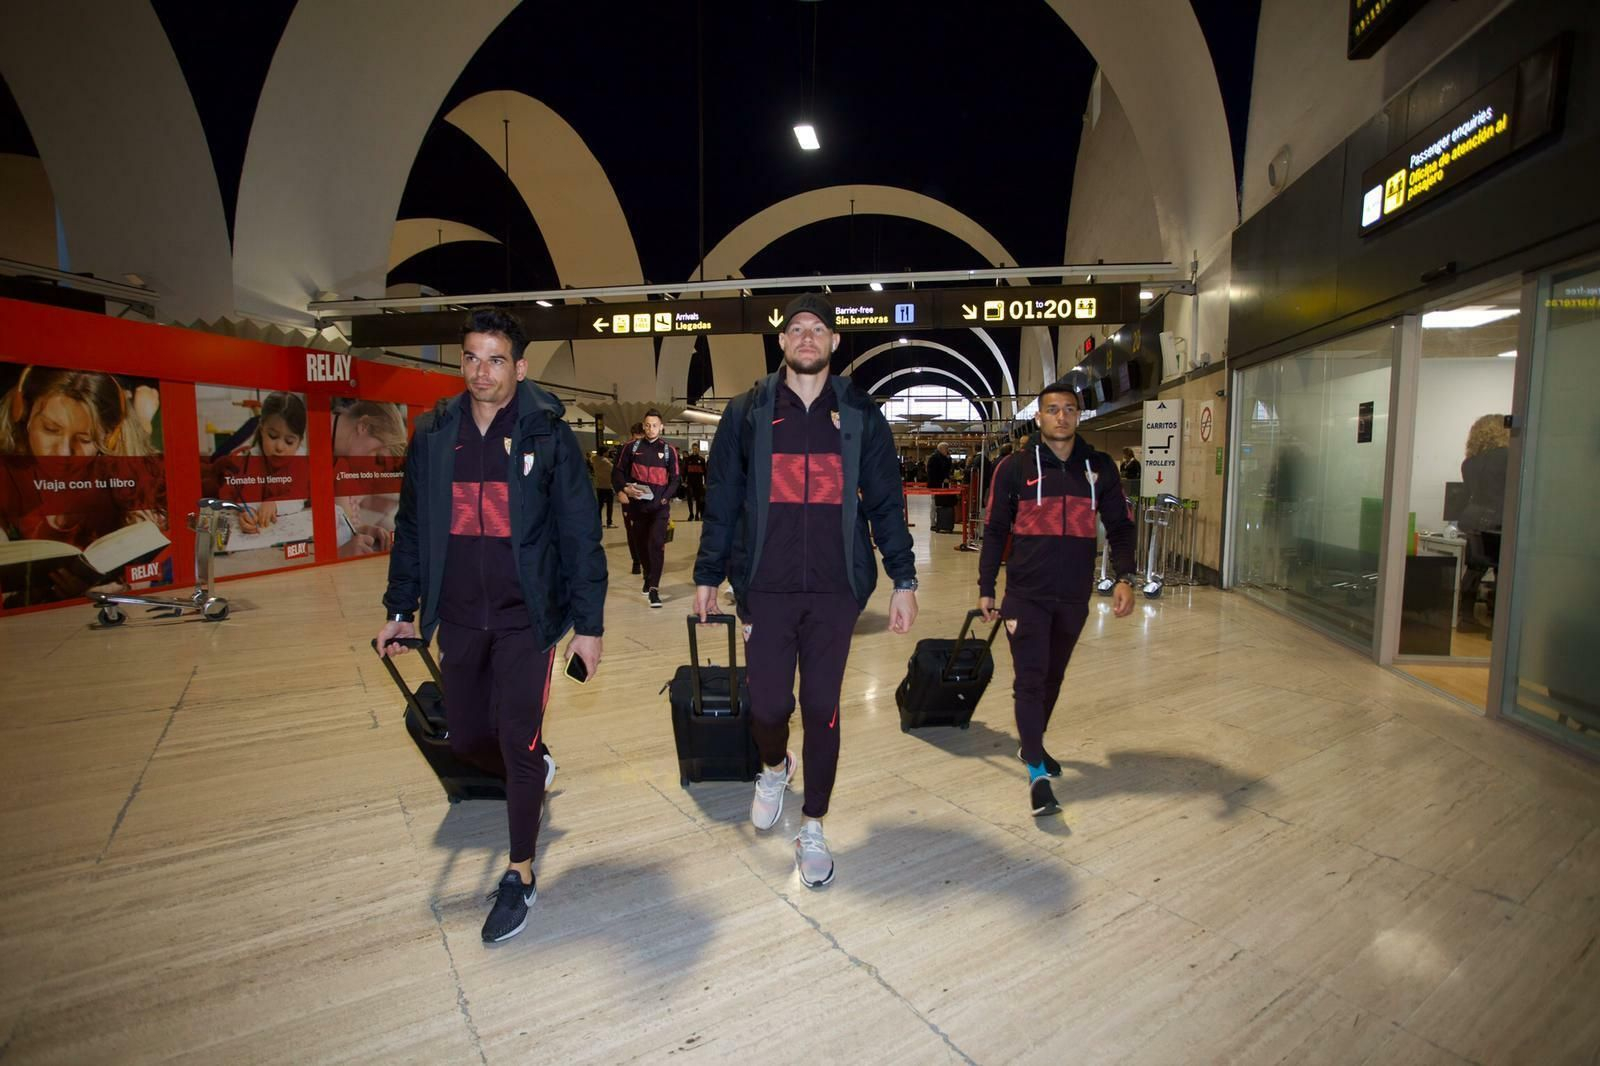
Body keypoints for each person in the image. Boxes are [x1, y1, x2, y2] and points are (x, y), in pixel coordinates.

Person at [376, 307, 606, 944]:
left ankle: (520, 874)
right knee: (470, 738)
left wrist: (588, 625)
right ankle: (534, 766)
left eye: (496, 359)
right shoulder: (434, 434)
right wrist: (401, 610)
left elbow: (581, 534)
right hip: (460, 617)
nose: (482, 371)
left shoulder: (548, 434)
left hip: (525, 620)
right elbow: (415, 528)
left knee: (517, 743)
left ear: (519, 366)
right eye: (472, 358)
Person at [693, 293, 918, 888]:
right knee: (767, 708)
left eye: (819, 328)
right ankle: (775, 765)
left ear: (835, 342)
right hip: (765, 588)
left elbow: (886, 503)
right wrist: (708, 574)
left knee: (821, 708)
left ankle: (813, 824)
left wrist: (903, 577)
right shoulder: (749, 412)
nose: (808, 337)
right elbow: (721, 501)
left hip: (834, 589)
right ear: (782, 341)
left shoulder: (862, 415)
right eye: (797, 328)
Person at [978, 381, 1137, 817]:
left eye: (1069, 409)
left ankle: (1032, 745)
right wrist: (987, 585)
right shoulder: (1013, 468)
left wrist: (1125, 577)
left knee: (1052, 678)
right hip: (1025, 594)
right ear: (1039, 417)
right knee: (1029, 680)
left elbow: (1120, 526)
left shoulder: (1099, 467)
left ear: (1079, 415)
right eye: (1052, 409)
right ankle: (1036, 775)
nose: (1061, 416)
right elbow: (995, 530)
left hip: (1072, 596)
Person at [612, 410, 679, 607]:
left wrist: (665, 499)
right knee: (641, 545)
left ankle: (654, 589)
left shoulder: (669, 450)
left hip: (659, 509)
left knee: (656, 545)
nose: (651, 429)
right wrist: (625, 488)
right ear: (643, 426)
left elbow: (675, 479)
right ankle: (648, 575)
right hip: (638, 507)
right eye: (648, 425)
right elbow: (617, 473)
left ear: (662, 427)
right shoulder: (630, 448)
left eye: (655, 425)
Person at [1458, 413, 1509, 632]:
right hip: (1497, 522)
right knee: (1502, 572)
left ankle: (1466, 619)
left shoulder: (1469, 463)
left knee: (1475, 569)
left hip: (1472, 520)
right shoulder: (1508, 457)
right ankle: (1496, 628)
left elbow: (1470, 494)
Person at [618, 423, 646, 576]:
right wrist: (620, 490)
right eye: (636, 439)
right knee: (632, 531)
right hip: (629, 495)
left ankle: (648, 559)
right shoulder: (625, 450)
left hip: (648, 496)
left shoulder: (653, 449)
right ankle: (636, 561)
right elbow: (616, 473)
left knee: (650, 530)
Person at [591, 448, 615, 528]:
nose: (608, 453)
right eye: (607, 452)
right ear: (604, 453)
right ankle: (609, 522)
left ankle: (599, 522)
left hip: (599, 485)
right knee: (609, 505)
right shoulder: (605, 461)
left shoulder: (594, 460)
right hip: (607, 486)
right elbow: (613, 469)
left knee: (600, 505)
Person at [682, 445, 707, 521]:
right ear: (692, 449)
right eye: (694, 448)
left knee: (698, 499)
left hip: (699, 483)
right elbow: (684, 471)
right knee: (689, 499)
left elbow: (705, 472)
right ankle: (691, 514)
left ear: (698, 449)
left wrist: (705, 482)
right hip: (690, 483)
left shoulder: (702, 460)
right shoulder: (688, 459)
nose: (695, 450)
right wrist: (683, 481)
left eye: (696, 449)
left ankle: (697, 515)